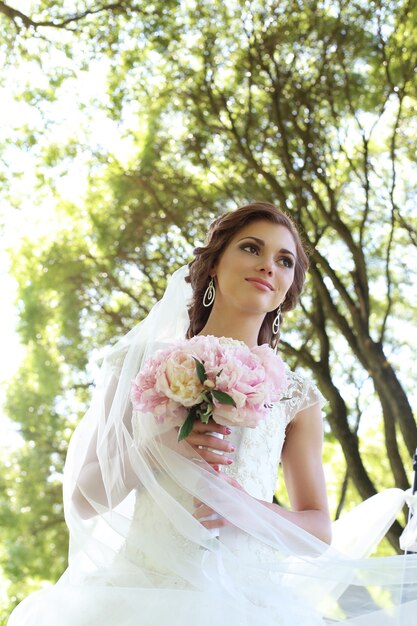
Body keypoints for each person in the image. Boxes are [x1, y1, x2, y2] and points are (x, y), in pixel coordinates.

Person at [8, 202, 417, 625]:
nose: (268, 266)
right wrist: (163, 446)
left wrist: (245, 508)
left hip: (248, 605)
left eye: (284, 260)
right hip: (138, 597)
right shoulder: (139, 363)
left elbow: (316, 533)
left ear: (288, 288)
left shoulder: (297, 396)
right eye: (251, 248)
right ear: (215, 264)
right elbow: (85, 497)